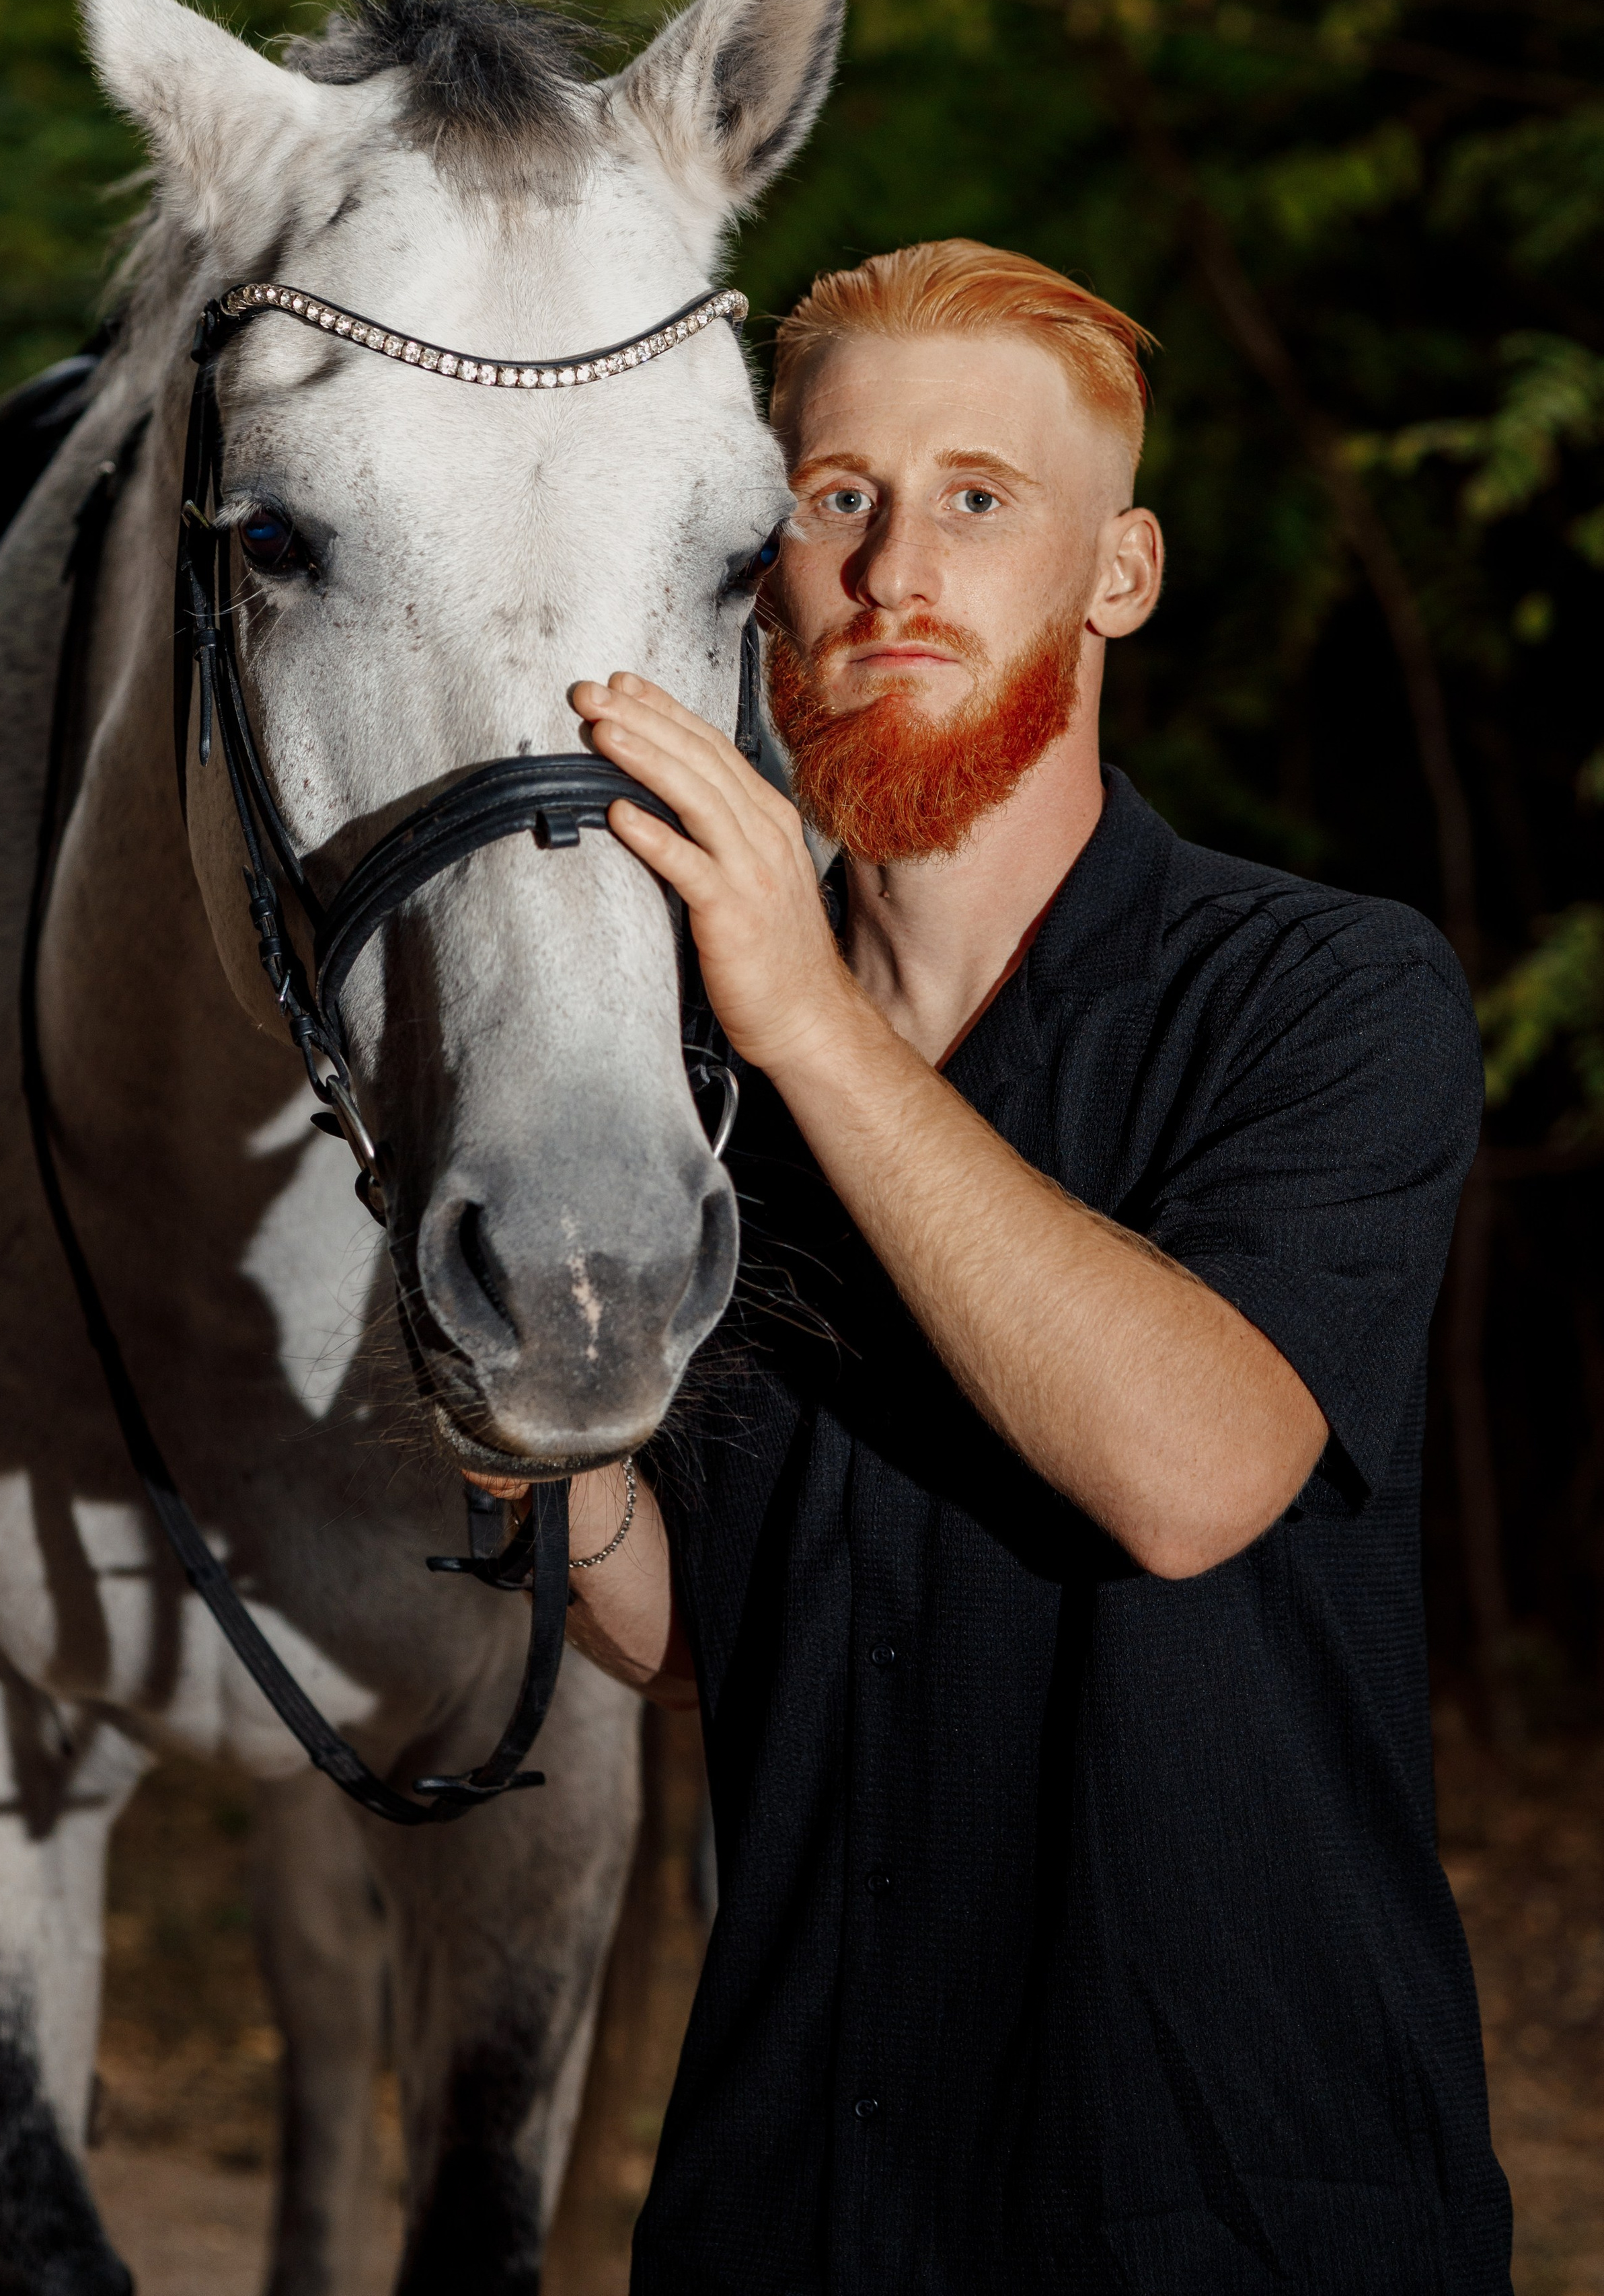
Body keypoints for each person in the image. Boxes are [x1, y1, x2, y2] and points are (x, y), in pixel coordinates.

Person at [491, 239, 1512, 2292]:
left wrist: (809, 1024)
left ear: (1116, 575)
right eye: (837, 497)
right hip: (795, 2200)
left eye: (979, 499)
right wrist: (525, 1419)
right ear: (759, 562)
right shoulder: (689, 1077)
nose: (891, 575)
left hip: (1224, 2212)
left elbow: (1193, 1472)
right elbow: (691, 1629)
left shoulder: (1324, 994)